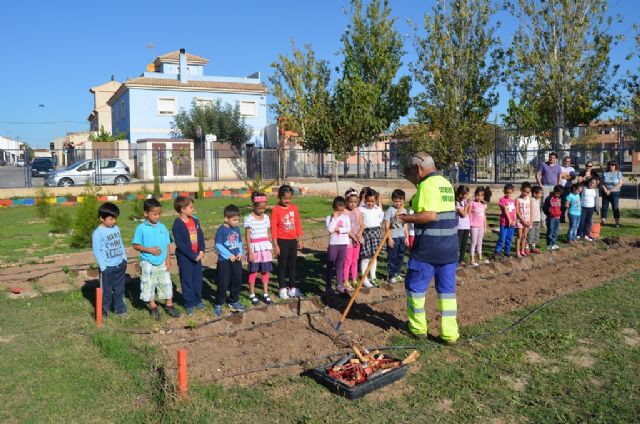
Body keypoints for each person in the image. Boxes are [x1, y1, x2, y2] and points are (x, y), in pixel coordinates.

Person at [398, 153, 459, 344]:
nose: (412, 180)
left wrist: (403, 219)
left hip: (428, 250)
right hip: (450, 249)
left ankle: (418, 329)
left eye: (411, 175)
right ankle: (449, 334)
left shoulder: (426, 185)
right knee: (447, 293)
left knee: (415, 289)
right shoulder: (445, 183)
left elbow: (429, 215)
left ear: (418, 169)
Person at [132, 198, 181, 320]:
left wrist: (168, 260)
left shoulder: (162, 227)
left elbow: (167, 244)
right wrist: (149, 250)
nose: (158, 216)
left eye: (159, 213)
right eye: (155, 214)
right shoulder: (141, 228)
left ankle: (169, 305)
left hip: (162, 262)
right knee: (148, 285)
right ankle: (153, 307)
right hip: (148, 262)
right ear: (146, 214)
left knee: (166, 283)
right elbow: (135, 245)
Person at [92, 202, 128, 318]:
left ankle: (120, 310)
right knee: (106, 292)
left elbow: (120, 243)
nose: (114, 221)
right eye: (111, 219)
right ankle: (104, 311)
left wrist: (124, 258)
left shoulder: (116, 228)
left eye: (115, 219)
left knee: (119, 289)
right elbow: (97, 251)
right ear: (102, 218)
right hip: (107, 268)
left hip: (119, 265)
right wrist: (103, 267)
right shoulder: (97, 233)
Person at [172, 196, 205, 316]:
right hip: (186, 258)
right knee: (187, 281)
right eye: (191, 207)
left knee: (197, 280)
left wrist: (201, 250)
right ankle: (189, 303)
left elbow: (200, 236)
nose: (193, 209)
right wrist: (192, 255)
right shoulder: (178, 224)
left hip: (197, 257)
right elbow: (180, 244)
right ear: (182, 209)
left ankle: (198, 300)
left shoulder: (195, 220)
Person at [271, 184, 303, 299]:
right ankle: (282, 288)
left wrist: (299, 239)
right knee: (282, 265)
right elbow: (273, 228)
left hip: (292, 240)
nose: (287, 201)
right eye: (285, 198)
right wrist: (275, 245)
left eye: (289, 198)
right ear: (279, 197)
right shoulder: (275, 210)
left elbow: (297, 224)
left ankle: (292, 288)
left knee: (292, 265)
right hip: (281, 241)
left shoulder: (294, 208)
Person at [214, 204, 244, 316]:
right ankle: (218, 303)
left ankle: (233, 300)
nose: (237, 222)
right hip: (224, 261)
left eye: (238, 220)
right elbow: (218, 245)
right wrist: (228, 255)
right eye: (234, 220)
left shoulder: (236, 229)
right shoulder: (221, 230)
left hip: (236, 260)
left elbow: (239, 242)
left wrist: (240, 252)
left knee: (237, 280)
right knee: (223, 282)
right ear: (226, 219)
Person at [244, 192, 274, 304]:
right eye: (259, 208)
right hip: (255, 249)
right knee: (253, 271)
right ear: (253, 206)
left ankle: (265, 293)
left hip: (264, 248)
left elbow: (267, 233)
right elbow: (247, 236)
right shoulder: (249, 219)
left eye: (264, 208)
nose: (262, 210)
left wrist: (270, 248)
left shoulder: (266, 218)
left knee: (265, 271)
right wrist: (250, 251)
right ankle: (252, 294)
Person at [325, 196, 351, 294]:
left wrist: (339, 229)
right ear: (333, 208)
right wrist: (335, 218)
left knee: (340, 265)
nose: (340, 212)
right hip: (333, 244)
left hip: (343, 244)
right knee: (330, 265)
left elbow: (348, 229)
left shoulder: (346, 217)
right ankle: (328, 286)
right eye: (338, 210)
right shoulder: (329, 218)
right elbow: (330, 229)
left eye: (341, 210)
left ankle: (339, 284)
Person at [359, 188, 384, 288]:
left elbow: (380, 220)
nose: (370, 203)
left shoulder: (378, 209)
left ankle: (373, 277)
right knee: (366, 257)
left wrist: (379, 201)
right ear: (365, 200)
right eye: (368, 201)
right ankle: (364, 279)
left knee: (374, 257)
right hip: (366, 234)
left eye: (372, 201)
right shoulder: (361, 209)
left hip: (376, 233)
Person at [384, 189, 409, 283]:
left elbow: (405, 225)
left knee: (400, 256)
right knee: (392, 257)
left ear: (403, 200)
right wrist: (389, 238)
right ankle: (391, 275)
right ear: (392, 201)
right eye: (395, 201)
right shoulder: (390, 210)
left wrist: (406, 237)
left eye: (400, 201)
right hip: (393, 238)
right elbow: (386, 225)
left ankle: (397, 273)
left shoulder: (404, 210)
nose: (398, 203)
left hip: (401, 237)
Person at [343, 189, 363, 291]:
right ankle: (345, 281)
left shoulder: (358, 211)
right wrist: (352, 236)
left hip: (357, 240)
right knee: (348, 261)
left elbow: (362, 225)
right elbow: (345, 227)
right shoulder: (344, 212)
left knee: (355, 260)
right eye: (350, 202)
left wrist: (359, 234)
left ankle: (354, 279)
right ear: (346, 201)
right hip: (348, 241)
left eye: (355, 202)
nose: (353, 204)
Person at [494, 183, 516, 258]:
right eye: (506, 192)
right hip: (504, 223)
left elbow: (515, 211)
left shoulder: (513, 201)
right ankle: (497, 252)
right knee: (502, 239)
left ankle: (507, 252)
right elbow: (505, 210)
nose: (508, 194)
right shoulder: (502, 200)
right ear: (504, 192)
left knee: (509, 239)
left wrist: (514, 220)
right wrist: (509, 220)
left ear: (512, 192)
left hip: (512, 223)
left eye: (509, 193)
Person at [469, 186, 490, 266]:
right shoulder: (472, 203)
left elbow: (484, 215)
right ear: (475, 194)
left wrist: (485, 226)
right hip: (474, 225)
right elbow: (469, 213)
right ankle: (472, 259)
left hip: (481, 225)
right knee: (473, 241)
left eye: (481, 196)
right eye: (478, 195)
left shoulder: (483, 205)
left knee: (480, 242)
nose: (479, 197)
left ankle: (480, 258)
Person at [601, 160, 623, 228]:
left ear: (615, 166)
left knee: (615, 207)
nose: (611, 166)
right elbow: (601, 183)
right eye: (610, 165)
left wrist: (610, 191)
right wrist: (605, 189)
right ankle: (603, 222)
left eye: (613, 165)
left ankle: (617, 223)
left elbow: (620, 183)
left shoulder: (619, 173)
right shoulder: (605, 173)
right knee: (604, 207)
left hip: (615, 193)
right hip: (605, 192)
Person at [542, 185, 563, 250]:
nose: (558, 195)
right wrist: (549, 213)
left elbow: (560, 207)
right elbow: (544, 207)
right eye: (557, 193)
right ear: (554, 191)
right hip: (551, 218)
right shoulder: (549, 198)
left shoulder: (559, 198)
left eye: (559, 194)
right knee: (550, 231)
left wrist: (560, 213)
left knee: (555, 232)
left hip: (558, 217)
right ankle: (549, 244)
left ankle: (553, 243)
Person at [455, 186, 471, 266]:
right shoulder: (457, 203)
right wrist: (467, 204)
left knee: (464, 245)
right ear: (461, 195)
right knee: (458, 245)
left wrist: (468, 205)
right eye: (466, 194)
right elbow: (463, 214)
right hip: (459, 227)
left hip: (466, 226)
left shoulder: (465, 201)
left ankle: (461, 260)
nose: (467, 196)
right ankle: (455, 261)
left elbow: (468, 213)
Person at [515, 182, 532, 258]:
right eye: (524, 191)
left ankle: (522, 250)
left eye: (527, 192)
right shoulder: (518, 199)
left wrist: (530, 220)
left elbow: (531, 210)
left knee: (525, 236)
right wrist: (523, 220)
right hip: (520, 221)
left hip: (528, 220)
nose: (525, 193)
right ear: (521, 190)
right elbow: (517, 211)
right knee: (519, 236)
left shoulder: (529, 199)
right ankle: (517, 251)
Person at [559, 156, 576, 223]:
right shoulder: (560, 168)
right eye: (566, 160)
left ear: (570, 162)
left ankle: (563, 217)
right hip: (560, 187)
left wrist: (563, 176)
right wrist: (567, 175)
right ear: (563, 161)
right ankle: (558, 217)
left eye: (568, 161)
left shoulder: (572, 169)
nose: (567, 162)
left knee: (565, 203)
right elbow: (559, 175)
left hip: (568, 188)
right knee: (559, 203)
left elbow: (573, 177)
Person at [528, 185, 543, 253]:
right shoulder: (530, 200)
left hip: (537, 221)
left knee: (536, 234)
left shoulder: (538, 200)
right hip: (532, 221)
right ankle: (527, 247)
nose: (541, 195)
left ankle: (533, 247)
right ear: (534, 193)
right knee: (530, 234)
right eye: (540, 193)